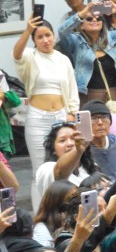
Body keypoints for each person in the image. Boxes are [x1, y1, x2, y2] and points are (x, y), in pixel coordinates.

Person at [12, 14, 78, 176]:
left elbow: (72, 90)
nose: (45, 40)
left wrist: (72, 114)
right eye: (39, 37)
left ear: (54, 35)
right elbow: (17, 55)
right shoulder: (30, 56)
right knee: (41, 171)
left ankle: (61, 201)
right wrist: (27, 30)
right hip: (37, 118)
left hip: (62, 116)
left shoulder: (63, 59)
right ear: (34, 40)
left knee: (64, 167)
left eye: (48, 35)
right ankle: (40, 202)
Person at [58, 0, 116, 105]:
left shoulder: (111, 38)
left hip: (113, 93)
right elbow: (62, 31)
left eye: (99, 18)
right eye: (89, 18)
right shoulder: (76, 42)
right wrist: (81, 14)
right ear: (81, 25)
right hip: (87, 94)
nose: (95, 20)